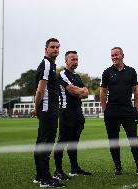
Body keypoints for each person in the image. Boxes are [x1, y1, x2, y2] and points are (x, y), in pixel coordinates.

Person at [100, 47, 138, 176]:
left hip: (128, 110)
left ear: (122, 55)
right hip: (112, 111)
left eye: (116, 55)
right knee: (113, 140)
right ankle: (118, 167)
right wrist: (104, 108)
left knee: (133, 139)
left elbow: (136, 90)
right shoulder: (107, 72)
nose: (114, 57)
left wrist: (136, 107)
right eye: (112, 55)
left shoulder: (131, 71)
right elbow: (103, 91)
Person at [53, 51, 92, 179]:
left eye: (76, 59)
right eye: (72, 59)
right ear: (66, 60)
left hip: (77, 112)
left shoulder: (77, 76)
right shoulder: (62, 74)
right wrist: (79, 91)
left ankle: (74, 169)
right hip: (66, 112)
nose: (75, 62)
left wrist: (79, 91)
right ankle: (58, 171)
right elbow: (74, 91)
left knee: (74, 142)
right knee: (62, 141)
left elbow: (86, 93)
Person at [33, 38, 66, 188]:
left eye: (57, 47)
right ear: (45, 49)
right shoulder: (46, 64)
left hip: (48, 108)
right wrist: (36, 107)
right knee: (46, 142)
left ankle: (40, 176)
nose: (55, 50)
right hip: (47, 108)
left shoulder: (51, 65)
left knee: (41, 141)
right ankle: (45, 178)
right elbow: (40, 89)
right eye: (52, 47)